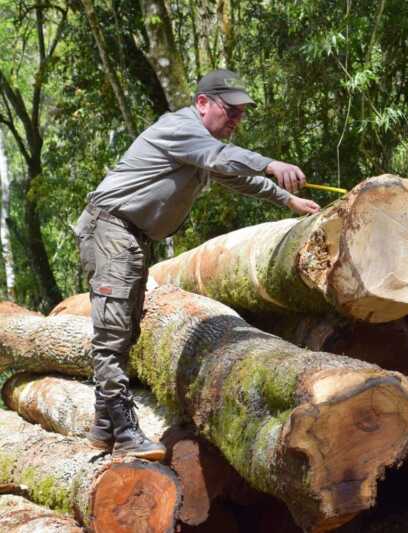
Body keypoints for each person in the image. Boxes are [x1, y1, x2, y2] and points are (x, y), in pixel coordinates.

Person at [73, 69, 320, 461]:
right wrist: (270, 162)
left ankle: (103, 427)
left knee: (127, 327)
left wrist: (287, 201)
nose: (237, 121)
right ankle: (122, 430)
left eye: (242, 114)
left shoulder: (203, 145)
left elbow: (236, 176)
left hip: (129, 237)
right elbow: (224, 159)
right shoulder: (181, 128)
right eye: (231, 111)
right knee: (113, 331)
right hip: (110, 229)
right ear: (203, 103)